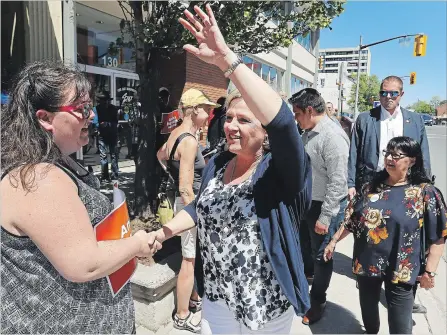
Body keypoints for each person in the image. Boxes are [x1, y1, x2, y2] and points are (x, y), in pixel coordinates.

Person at [148, 5, 312, 334]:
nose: (231, 127)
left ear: (265, 131)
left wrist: (227, 61)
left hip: (263, 304)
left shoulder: (282, 172)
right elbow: (200, 205)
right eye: (230, 118)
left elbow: (283, 124)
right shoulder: (220, 163)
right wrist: (162, 233)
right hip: (217, 298)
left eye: (245, 120)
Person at [0, 61, 160, 334]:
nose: (92, 116)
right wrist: (136, 244)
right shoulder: (38, 178)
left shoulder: (49, 164)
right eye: (82, 109)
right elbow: (83, 264)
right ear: (45, 118)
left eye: (91, 107)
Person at [324, 136, 446, 334]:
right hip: (367, 264)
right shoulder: (371, 187)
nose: (390, 158)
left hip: (402, 269)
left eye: (396, 155)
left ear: (412, 160)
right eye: (387, 153)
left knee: (400, 326)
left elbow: (438, 235)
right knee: (369, 316)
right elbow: (352, 220)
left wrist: (429, 272)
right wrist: (333, 241)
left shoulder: (425, 193)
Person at [348, 76, 432, 314]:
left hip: (406, 184)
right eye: (384, 93)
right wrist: (350, 183)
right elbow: (354, 152)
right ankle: (367, 275)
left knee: (406, 237)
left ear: (401, 95)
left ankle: (406, 290)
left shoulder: (414, 120)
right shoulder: (366, 118)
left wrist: (424, 185)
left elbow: (423, 153)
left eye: (393, 93)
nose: (388, 98)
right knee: (366, 232)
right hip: (372, 184)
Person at [157, 88, 216, 332]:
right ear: (193, 110)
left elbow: (160, 155)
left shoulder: (176, 134)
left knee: (192, 258)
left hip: (186, 207)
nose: (211, 112)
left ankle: (194, 299)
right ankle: (182, 315)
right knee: (189, 261)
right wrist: (197, 217)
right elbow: (185, 187)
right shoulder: (189, 141)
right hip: (190, 206)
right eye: (206, 108)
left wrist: (169, 172)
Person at [289, 89, 350, 325]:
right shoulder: (309, 131)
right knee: (306, 251)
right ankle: (305, 285)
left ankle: (318, 302)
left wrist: (325, 217)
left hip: (324, 205)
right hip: (307, 201)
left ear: (310, 111)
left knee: (322, 255)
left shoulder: (332, 137)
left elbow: (338, 182)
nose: (296, 118)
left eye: (297, 114)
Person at [96, 90, 120, 181]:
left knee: (114, 155)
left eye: (107, 100)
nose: (105, 102)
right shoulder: (96, 109)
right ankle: (105, 176)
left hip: (113, 135)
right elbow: (94, 122)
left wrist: (107, 124)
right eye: (103, 100)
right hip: (102, 135)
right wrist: (98, 126)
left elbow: (116, 122)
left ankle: (114, 175)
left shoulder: (114, 109)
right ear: (100, 101)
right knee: (103, 156)